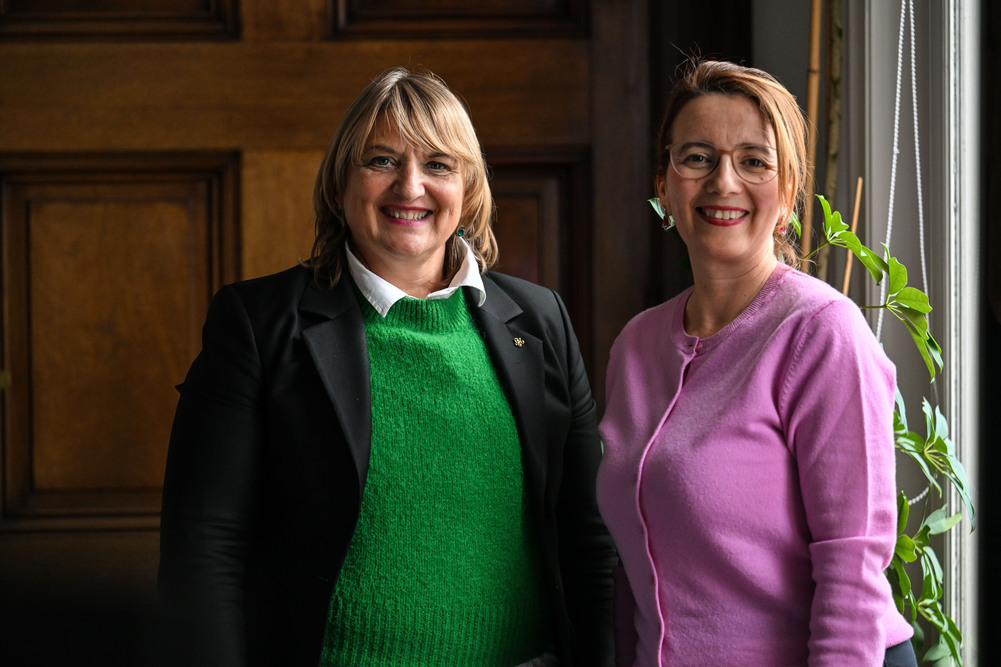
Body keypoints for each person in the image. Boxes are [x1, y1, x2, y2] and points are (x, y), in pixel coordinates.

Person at [158, 66, 615, 667]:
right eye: (380, 160)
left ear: (469, 189)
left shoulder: (541, 320)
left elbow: (588, 536)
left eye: (438, 165)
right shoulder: (257, 325)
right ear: (339, 183)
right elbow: (203, 547)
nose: (410, 186)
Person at [595, 59, 917, 666]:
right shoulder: (635, 346)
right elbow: (632, 567)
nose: (723, 182)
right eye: (697, 157)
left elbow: (853, 568)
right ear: (663, 184)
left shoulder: (822, 334)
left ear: (789, 191)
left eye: (753, 160)